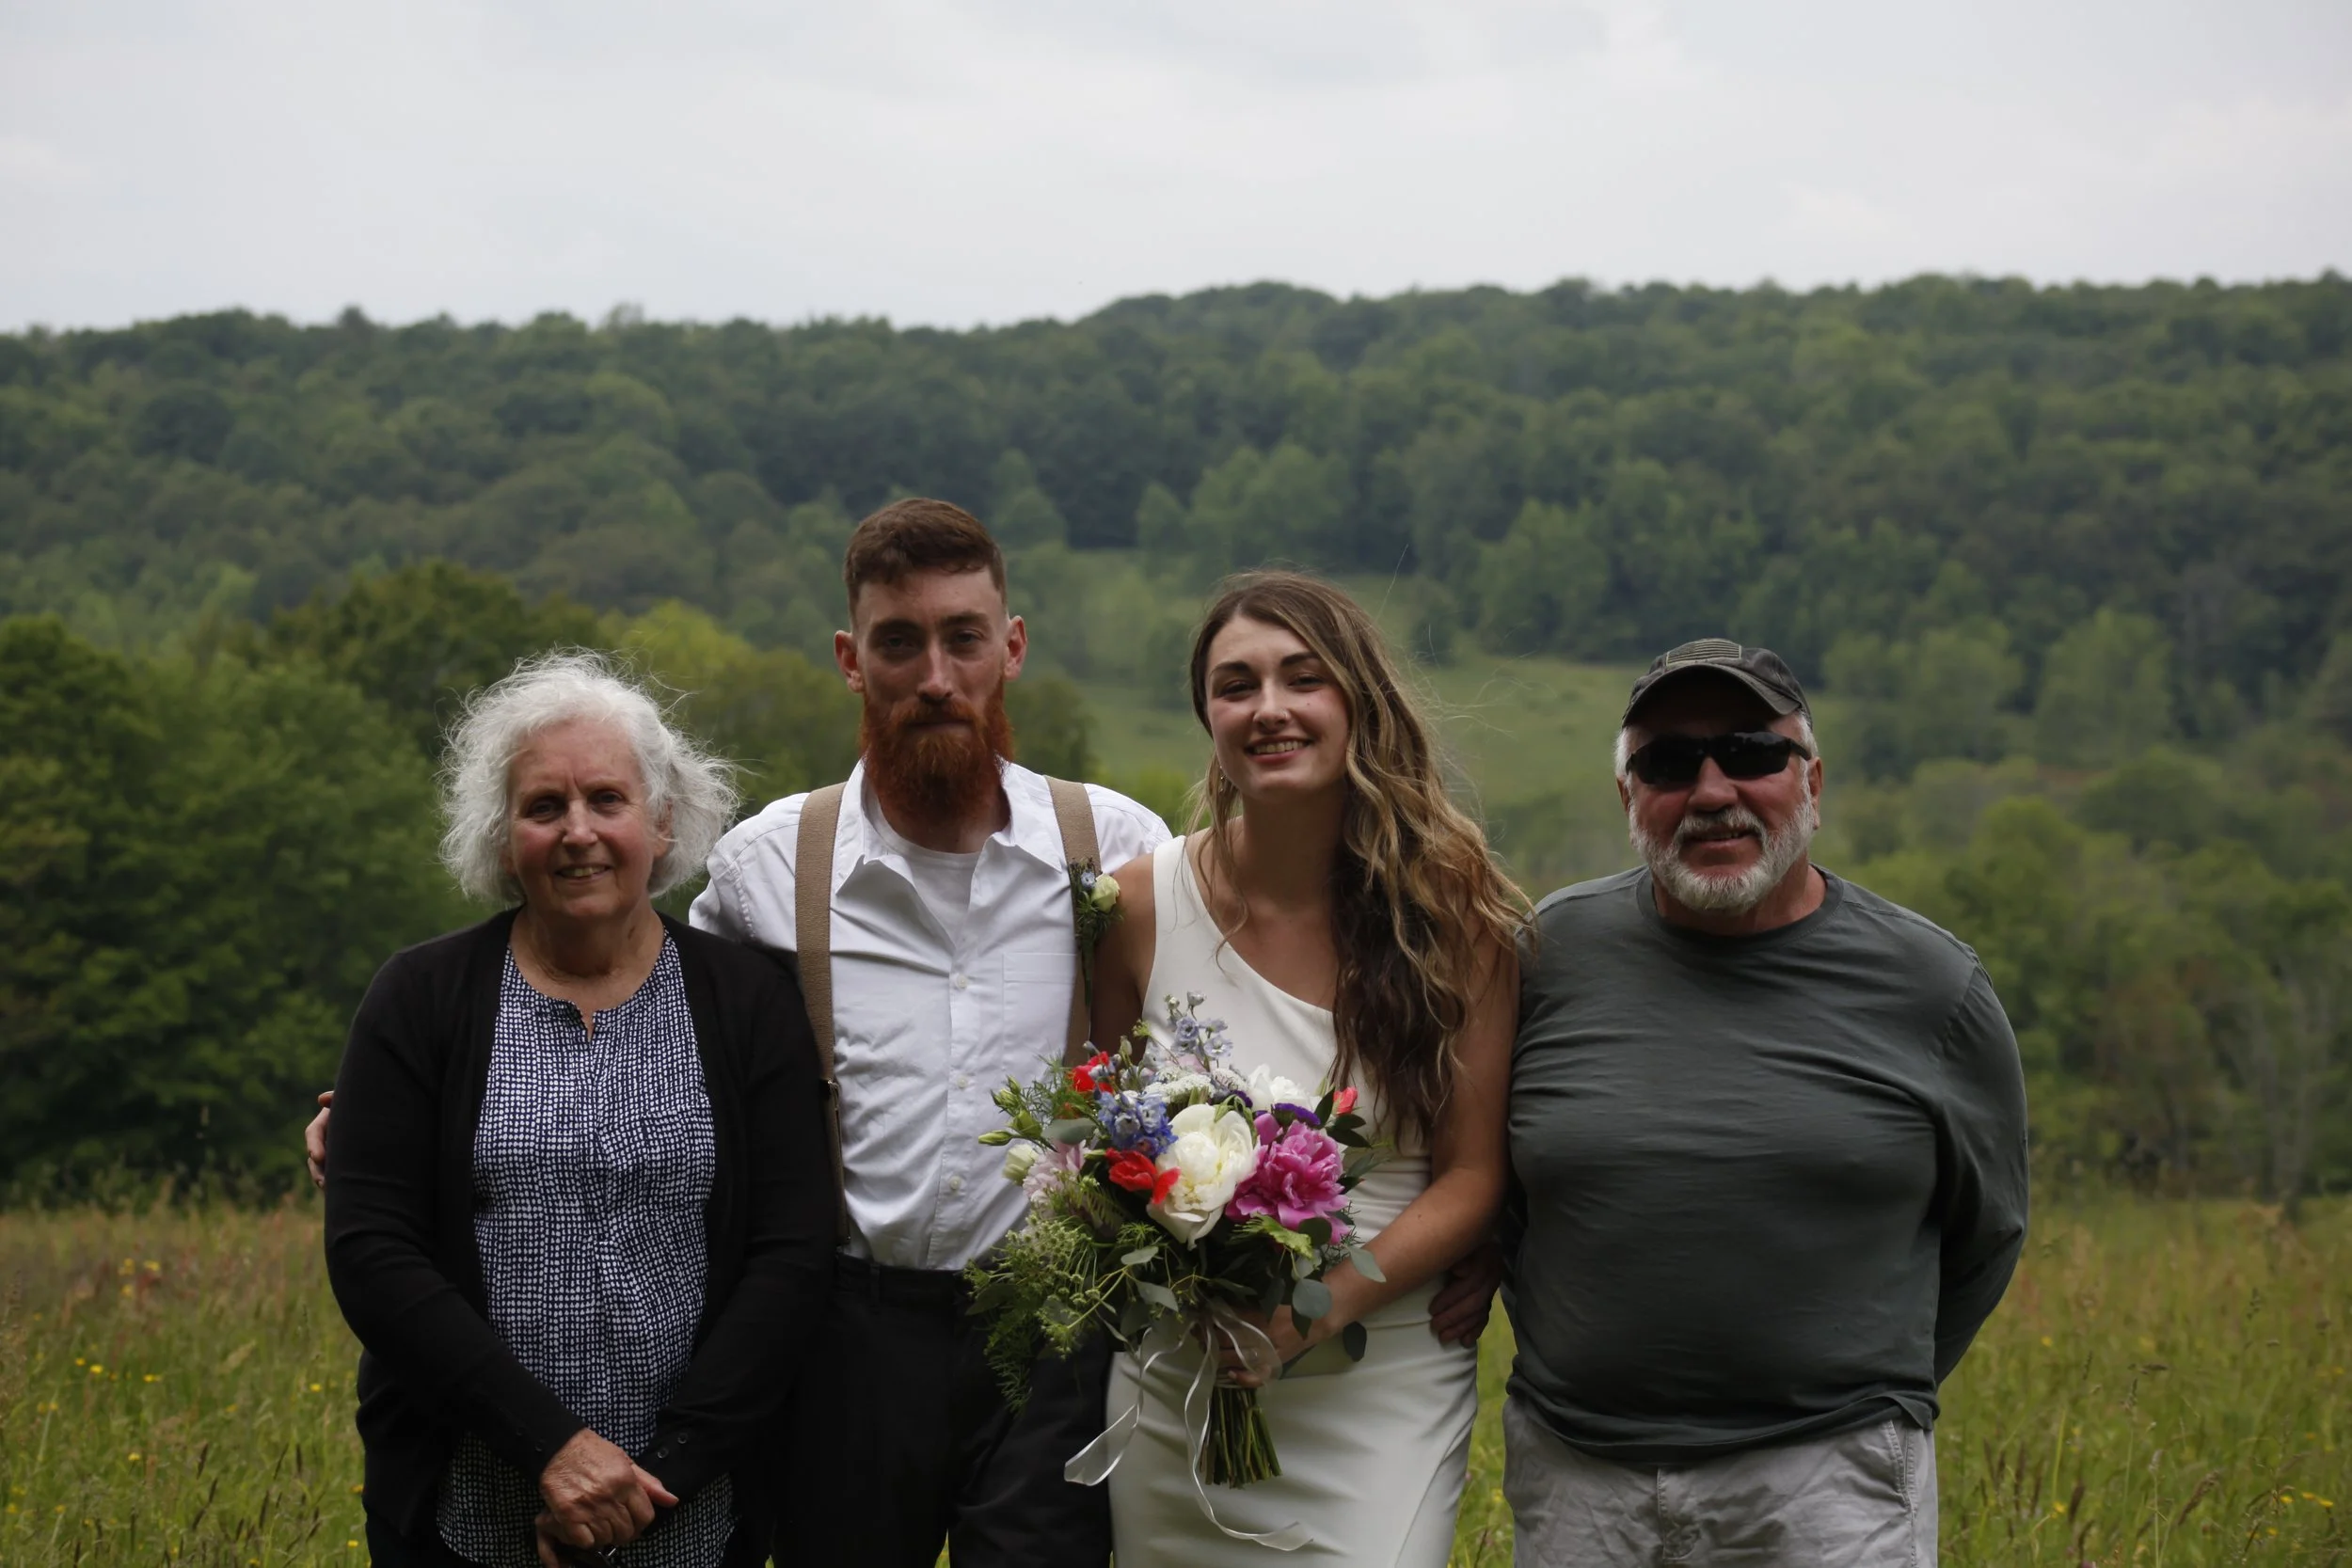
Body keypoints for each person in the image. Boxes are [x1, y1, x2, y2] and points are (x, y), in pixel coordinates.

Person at [687, 499, 1169, 1566]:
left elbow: (1218, 1038)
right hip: (845, 1336)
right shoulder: (769, 867)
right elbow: (664, 1057)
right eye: (900, 643)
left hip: (1055, 1333)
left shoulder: (1118, 845)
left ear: (1012, 646)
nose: (937, 677)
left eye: (964, 638)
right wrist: (408, 1115)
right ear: (851, 660)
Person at [1499, 639, 2030, 1567]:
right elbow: (1492, 1185)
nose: (1712, 791)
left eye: (1750, 752)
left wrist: (1855, 1395)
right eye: (1668, 762)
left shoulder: (1931, 985)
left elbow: (1987, 1230)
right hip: (1580, 1476)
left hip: (1829, 1486)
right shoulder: (1547, 955)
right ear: (1628, 797)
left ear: (1811, 781)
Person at [323, 653, 835, 1568]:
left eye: (607, 799)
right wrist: (552, 1449)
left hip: (693, 1513)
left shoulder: (747, 1001)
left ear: (662, 820)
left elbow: (790, 1252)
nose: (578, 832)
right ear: (502, 835)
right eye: (543, 806)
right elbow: (372, 1250)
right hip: (465, 1514)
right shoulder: (419, 998)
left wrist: (652, 1483)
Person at [1087, 571, 1525, 1565]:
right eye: (1236, 685)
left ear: (1358, 703)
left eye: (1303, 677)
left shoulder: (1454, 915)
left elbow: (1471, 1175)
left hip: (1379, 1382)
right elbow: (1099, 1138)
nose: (1269, 708)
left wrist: (1308, 1315)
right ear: (1207, 715)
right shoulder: (1137, 907)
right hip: (1181, 1384)